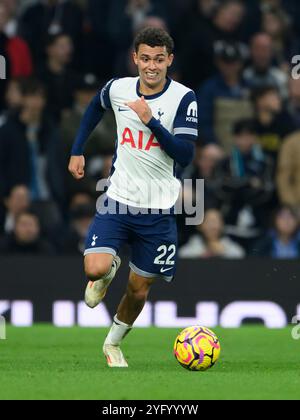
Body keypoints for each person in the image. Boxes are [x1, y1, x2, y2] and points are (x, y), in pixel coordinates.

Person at [68, 27, 198, 367]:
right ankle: (108, 270)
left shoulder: (184, 98)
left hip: (158, 208)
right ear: (135, 59)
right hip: (118, 198)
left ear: (169, 60)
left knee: (139, 290)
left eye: (158, 59)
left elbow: (184, 153)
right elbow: (94, 108)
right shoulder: (118, 88)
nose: (151, 66)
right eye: (145, 59)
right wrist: (77, 150)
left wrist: (150, 121)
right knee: (94, 268)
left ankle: (112, 344)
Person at [178, 208, 245, 258]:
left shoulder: (228, 245)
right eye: (209, 222)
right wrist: (203, 253)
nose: (213, 226)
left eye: (216, 222)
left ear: (222, 225)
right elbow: (182, 255)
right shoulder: (193, 244)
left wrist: (223, 251)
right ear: (200, 225)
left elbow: (240, 254)